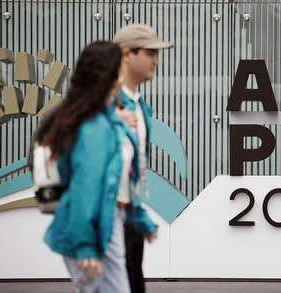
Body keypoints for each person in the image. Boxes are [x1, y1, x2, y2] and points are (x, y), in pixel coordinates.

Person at [42, 41, 138, 293]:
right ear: (113, 74)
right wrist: (86, 247)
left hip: (102, 227)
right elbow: (85, 188)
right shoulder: (94, 127)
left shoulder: (101, 118)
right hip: (92, 233)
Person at [112, 24, 173, 293]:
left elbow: (130, 173)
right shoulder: (104, 103)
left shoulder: (140, 105)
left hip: (129, 216)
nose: (156, 61)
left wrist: (140, 220)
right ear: (127, 55)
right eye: (150, 53)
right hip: (106, 219)